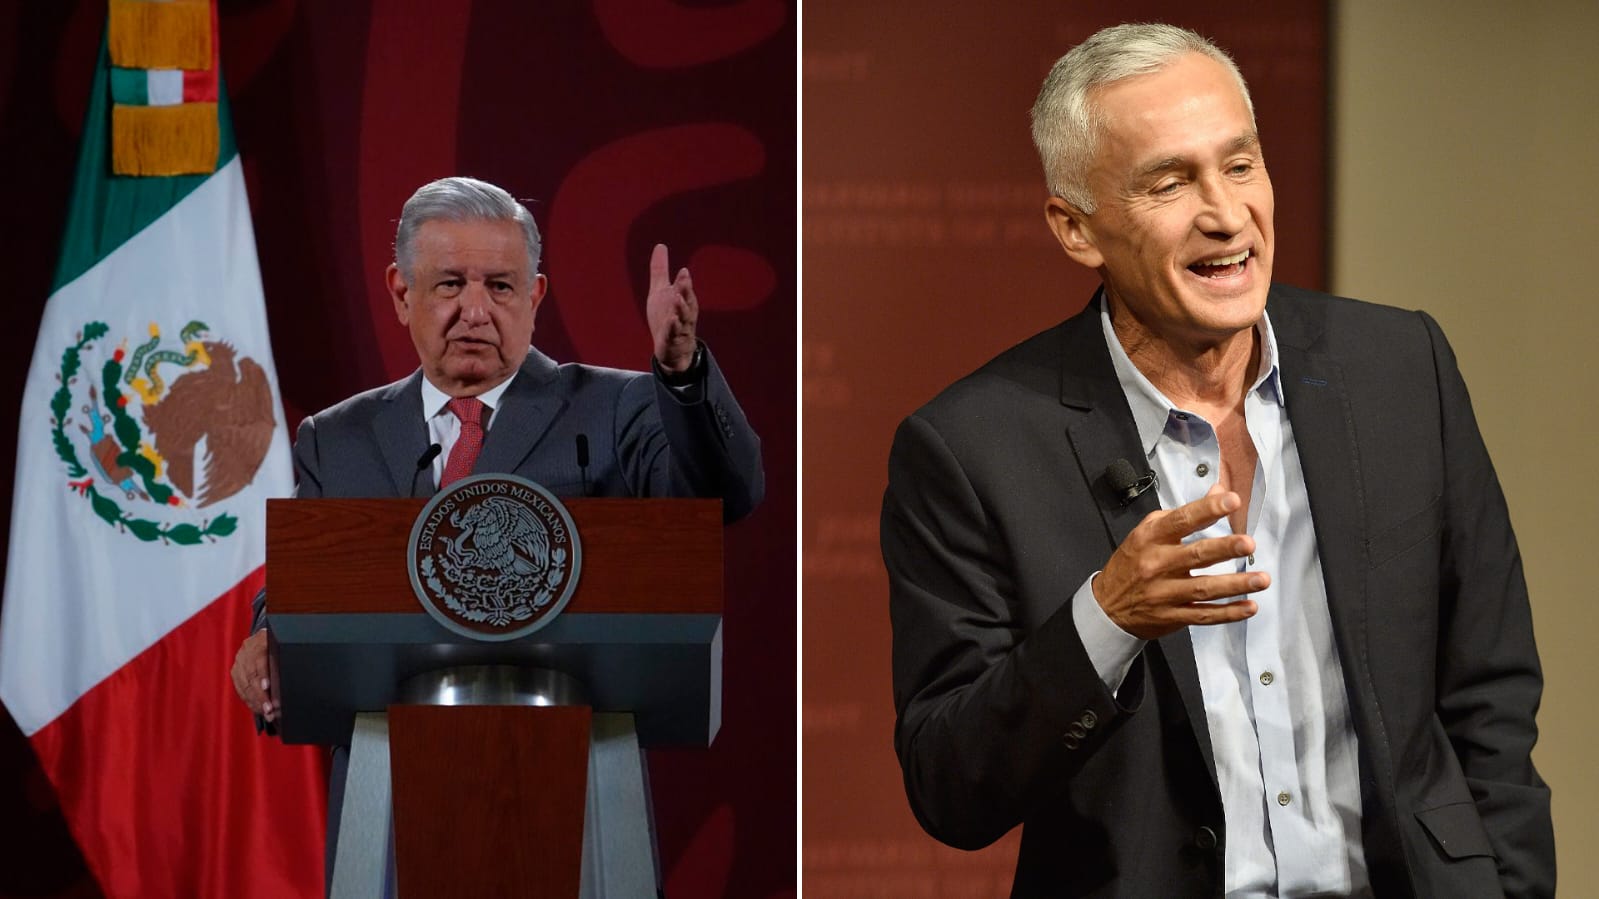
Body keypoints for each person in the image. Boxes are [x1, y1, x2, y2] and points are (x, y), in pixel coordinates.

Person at [881, 24, 1552, 898]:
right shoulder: (972, 447)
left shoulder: (1399, 369)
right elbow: (949, 786)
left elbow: (1489, 691)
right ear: (1075, 229)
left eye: (1240, 166)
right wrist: (1105, 620)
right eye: (1169, 182)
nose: (1226, 213)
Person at [228, 175, 763, 772]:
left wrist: (683, 372)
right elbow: (301, 588)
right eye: (451, 284)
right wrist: (265, 641)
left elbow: (726, 496)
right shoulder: (337, 438)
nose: (475, 312)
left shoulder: (615, 410)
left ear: (533, 297)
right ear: (403, 293)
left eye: (500, 287)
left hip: (572, 773)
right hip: (384, 788)